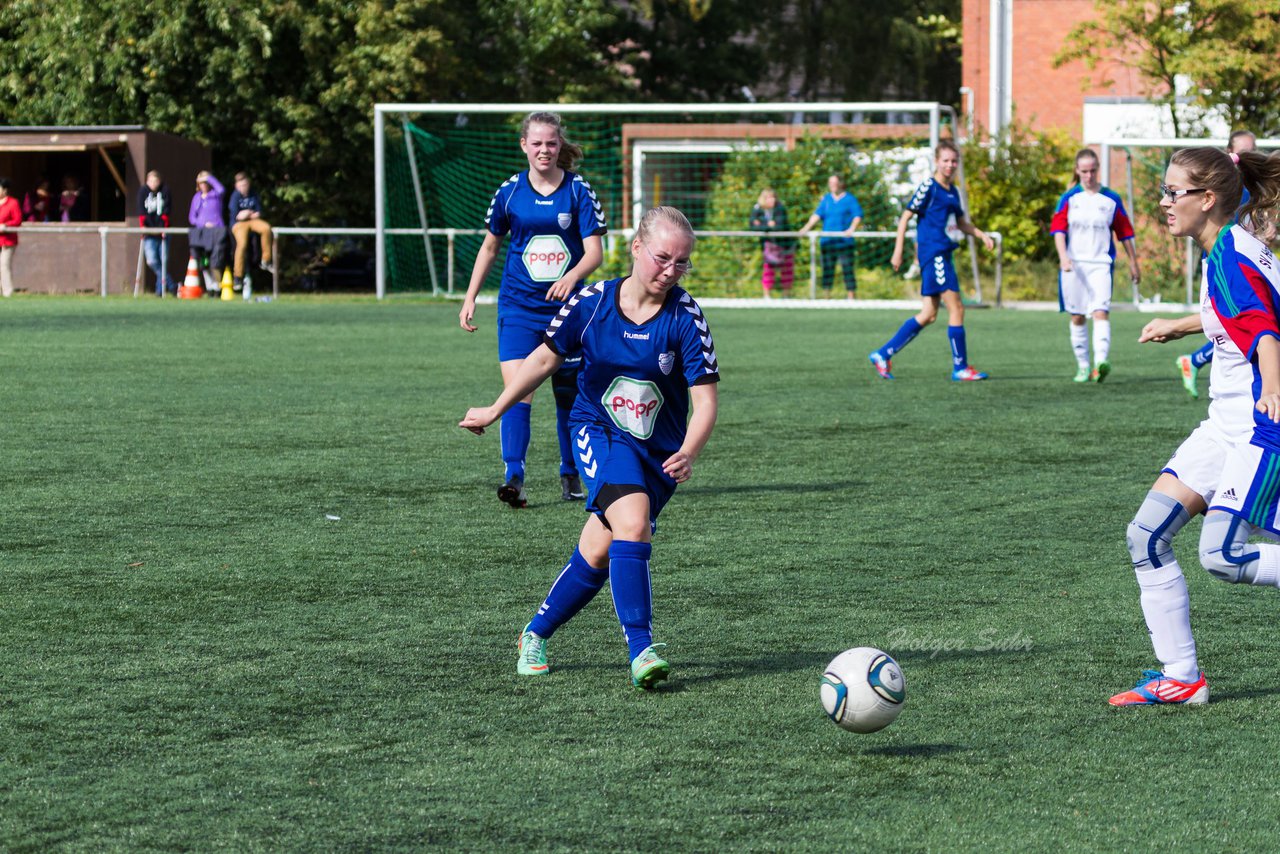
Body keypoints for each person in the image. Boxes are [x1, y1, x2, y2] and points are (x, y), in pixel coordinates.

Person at [459, 206, 719, 689]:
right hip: (597, 430)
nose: (671, 271)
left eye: (682, 263)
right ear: (637, 248)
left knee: (599, 551)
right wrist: (495, 409)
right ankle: (641, 649)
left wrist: (690, 449)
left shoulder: (686, 317)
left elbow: (705, 401)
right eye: (663, 257)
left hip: (658, 452)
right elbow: (541, 358)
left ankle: (535, 633)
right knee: (633, 522)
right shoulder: (593, 301)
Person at [1109, 145, 1280, 706]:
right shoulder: (1229, 248)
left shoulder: (1229, 254)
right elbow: (1233, 312)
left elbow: (1264, 331)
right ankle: (1183, 678)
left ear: (1207, 200)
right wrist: (1181, 326)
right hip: (1221, 426)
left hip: (1260, 426)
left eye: (1173, 192)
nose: (1163, 202)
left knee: (1222, 556)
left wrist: (1273, 391)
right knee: (1146, 536)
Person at [459, 111, 607, 507]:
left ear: (560, 146)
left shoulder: (578, 191)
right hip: (519, 309)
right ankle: (514, 476)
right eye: (537, 143)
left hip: (569, 311)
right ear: (524, 145)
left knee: (568, 396)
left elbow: (595, 252)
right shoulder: (509, 192)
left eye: (552, 143)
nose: (545, 150)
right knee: (518, 391)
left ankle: (570, 473)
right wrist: (471, 296)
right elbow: (490, 247)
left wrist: (572, 277)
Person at [870, 140, 996, 381]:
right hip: (934, 253)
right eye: (946, 160)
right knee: (956, 307)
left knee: (929, 314)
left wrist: (981, 234)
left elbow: (961, 223)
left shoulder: (953, 191)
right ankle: (960, 367)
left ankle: (883, 353)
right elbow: (906, 217)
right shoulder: (929, 186)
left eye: (954, 161)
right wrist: (898, 251)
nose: (950, 165)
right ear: (936, 162)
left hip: (942, 253)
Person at [1176, 130, 1259, 399]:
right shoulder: (1227, 190)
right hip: (1224, 259)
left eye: (1252, 149)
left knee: (1239, 322)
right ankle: (1197, 360)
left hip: (1241, 257)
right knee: (1231, 321)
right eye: (1242, 151)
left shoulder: (1251, 189)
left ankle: (1195, 360)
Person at [1051, 148, 1141, 383]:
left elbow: (1125, 233)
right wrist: (1063, 257)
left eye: (1092, 171)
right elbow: (1058, 230)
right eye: (1084, 171)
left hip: (1101, 263)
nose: (1089, 176)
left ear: (1097, 169)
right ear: (1077, 171)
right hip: (1074, 265)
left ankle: (1100, 362)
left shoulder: (1111, 199)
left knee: (1101, 311)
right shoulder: (1069, 198)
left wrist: (1134, 263)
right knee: (1078, 316)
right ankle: (1083, 366)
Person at [798, 174, 862, 297]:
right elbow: (817, 215)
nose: (832, 185)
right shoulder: (827, 199)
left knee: (847, 269)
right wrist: (805, 229)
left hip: (844, 242)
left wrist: (851, 229)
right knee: (827, 269)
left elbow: (857, 216)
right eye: (830, 183)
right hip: (827, 242)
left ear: (841, 183)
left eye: (834, 182)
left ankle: (851, 296)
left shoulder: (850, 199)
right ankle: (826, 295)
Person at [227, 172, 275, 293]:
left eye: (245, 184)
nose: (243, 187)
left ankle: (266, 260)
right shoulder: (235, 196)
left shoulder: (253, 194)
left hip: (252, 220)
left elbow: (258, 212)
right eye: (240, 185)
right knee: (242, 245)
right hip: (238, 224)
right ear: (236, 186)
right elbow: (237, 216)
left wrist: (248, 213)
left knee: (266, 228)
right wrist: (246, 214)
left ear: (248, 184)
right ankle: (237, 276)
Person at [749, 188, 796, 298]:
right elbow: (753, 226)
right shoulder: (757, 209)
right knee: (768, 270)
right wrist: (768, 224)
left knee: (787, 269)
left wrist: (762, 225)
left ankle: (786, 295)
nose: (772, 200)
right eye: (769, 197)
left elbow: (779, 226)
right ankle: (766, 295)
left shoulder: (780, 208)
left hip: (784, 245)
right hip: (769, 246)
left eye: (773, 197)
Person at [187, 170, 227, 291]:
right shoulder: (197, 198)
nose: (203, 185)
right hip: (202, 233)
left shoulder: (216, 195)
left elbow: (221, 189)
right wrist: (203, 223)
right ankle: (210, 286)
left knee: (216, 260)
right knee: (204, 261)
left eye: (205, 183)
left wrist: (209, 177)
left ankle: (219, 286)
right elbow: (192, 217)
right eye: (201, 183)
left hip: (217, 232)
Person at [137, 170, 174, 296]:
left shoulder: (165, 191)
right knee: (152, 261)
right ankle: (172, 285)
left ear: (159, 181)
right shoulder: (143, 192)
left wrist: (163, 227)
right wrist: (144, 226)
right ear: (147, 181)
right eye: (151, 181)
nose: (153, 184)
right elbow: (141, 211)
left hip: (163, 231)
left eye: (155, 181)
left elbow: (167, 211)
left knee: (163, 260)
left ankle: (160, 291)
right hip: (149, 232)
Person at [0, 177, 21, 297]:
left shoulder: (13, 203)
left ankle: (7, 292)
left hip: (8, 240)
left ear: (4, 190)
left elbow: (17, 220)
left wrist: (5, 225)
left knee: (4, 265)